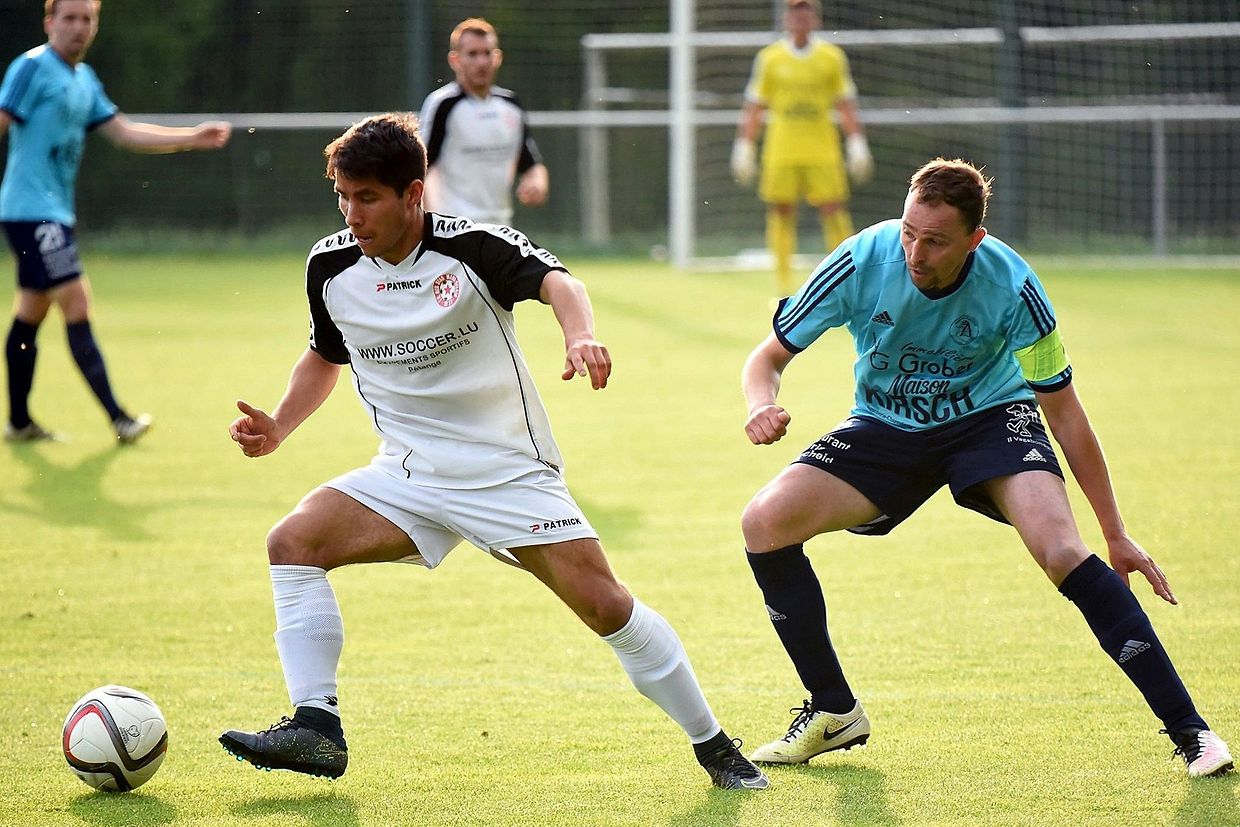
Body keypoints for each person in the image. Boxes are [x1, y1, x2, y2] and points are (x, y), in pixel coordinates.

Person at [217, 112, 768, 791]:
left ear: (412, 194)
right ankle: (316, 724)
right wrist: (279, 425)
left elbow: (560, 282)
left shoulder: (470, 247)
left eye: (367, 197)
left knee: (604, 605)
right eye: (342, 195)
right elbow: (324, 356)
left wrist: (579, 335)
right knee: (293, 542)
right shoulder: (330, 266)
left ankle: (715, 746)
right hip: (410, 471)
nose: (351, 214)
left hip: (504, 468)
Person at [737, 157, 1233, 778]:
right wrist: (762, 404)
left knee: (1059, 550)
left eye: (936, 240)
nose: (916, 252)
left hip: (990, 419)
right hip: (887, 425)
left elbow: (1065, 411)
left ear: (975, 239)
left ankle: (1194, 734)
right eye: (909, 232)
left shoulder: (1013, 285)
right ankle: (834, 711)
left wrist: (1114, 531)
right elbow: (768, 358)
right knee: (764, 523)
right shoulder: (862, 260)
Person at [0, 0, 231, 443]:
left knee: (31, 313)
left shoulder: (84, 81)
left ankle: (17, 422)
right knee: (76, 302)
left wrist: (191, 138)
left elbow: (124, 133)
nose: (78, 28)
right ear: (49, 23)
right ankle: (118, 418)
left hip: (52, 213)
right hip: (31, 211)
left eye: (87, 19)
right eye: (69, 18)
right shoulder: (30, 67)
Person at [731, 0, 873, 296]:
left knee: (832, 207)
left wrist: (856, 142)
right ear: (786, 18)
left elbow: (844, 102)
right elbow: (755, 105)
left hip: (822, 147)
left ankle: (848, 277)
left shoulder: (831, 57)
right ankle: (783, 286)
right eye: (795, 13)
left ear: (815, 19)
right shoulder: (770, 58)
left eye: (806, 14)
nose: (800, 20)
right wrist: (745, 144)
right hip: (781, 147)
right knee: (782, 210)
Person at [418, 18, 548, 226]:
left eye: (487, 53)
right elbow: (421, 166)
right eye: (472, 54)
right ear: (455, 60)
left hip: (500, 227)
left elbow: (531, 163)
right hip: (454, 228)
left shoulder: (511, 105)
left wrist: (537, 182)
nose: (481, 62)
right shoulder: (444, 104)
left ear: (498, 58)